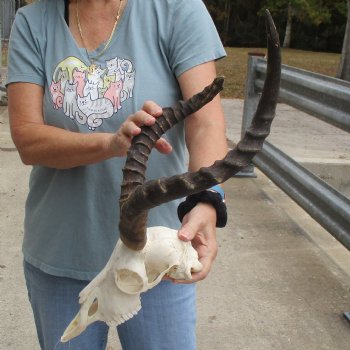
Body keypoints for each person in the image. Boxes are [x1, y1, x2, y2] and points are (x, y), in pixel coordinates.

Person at [7, 0, 227, 349]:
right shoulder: (32, 22)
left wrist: (207, 200)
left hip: (157, 257)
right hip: (60, 253)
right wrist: (110, 143)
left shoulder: (177, 9)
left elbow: (205, 122)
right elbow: (28, 139)